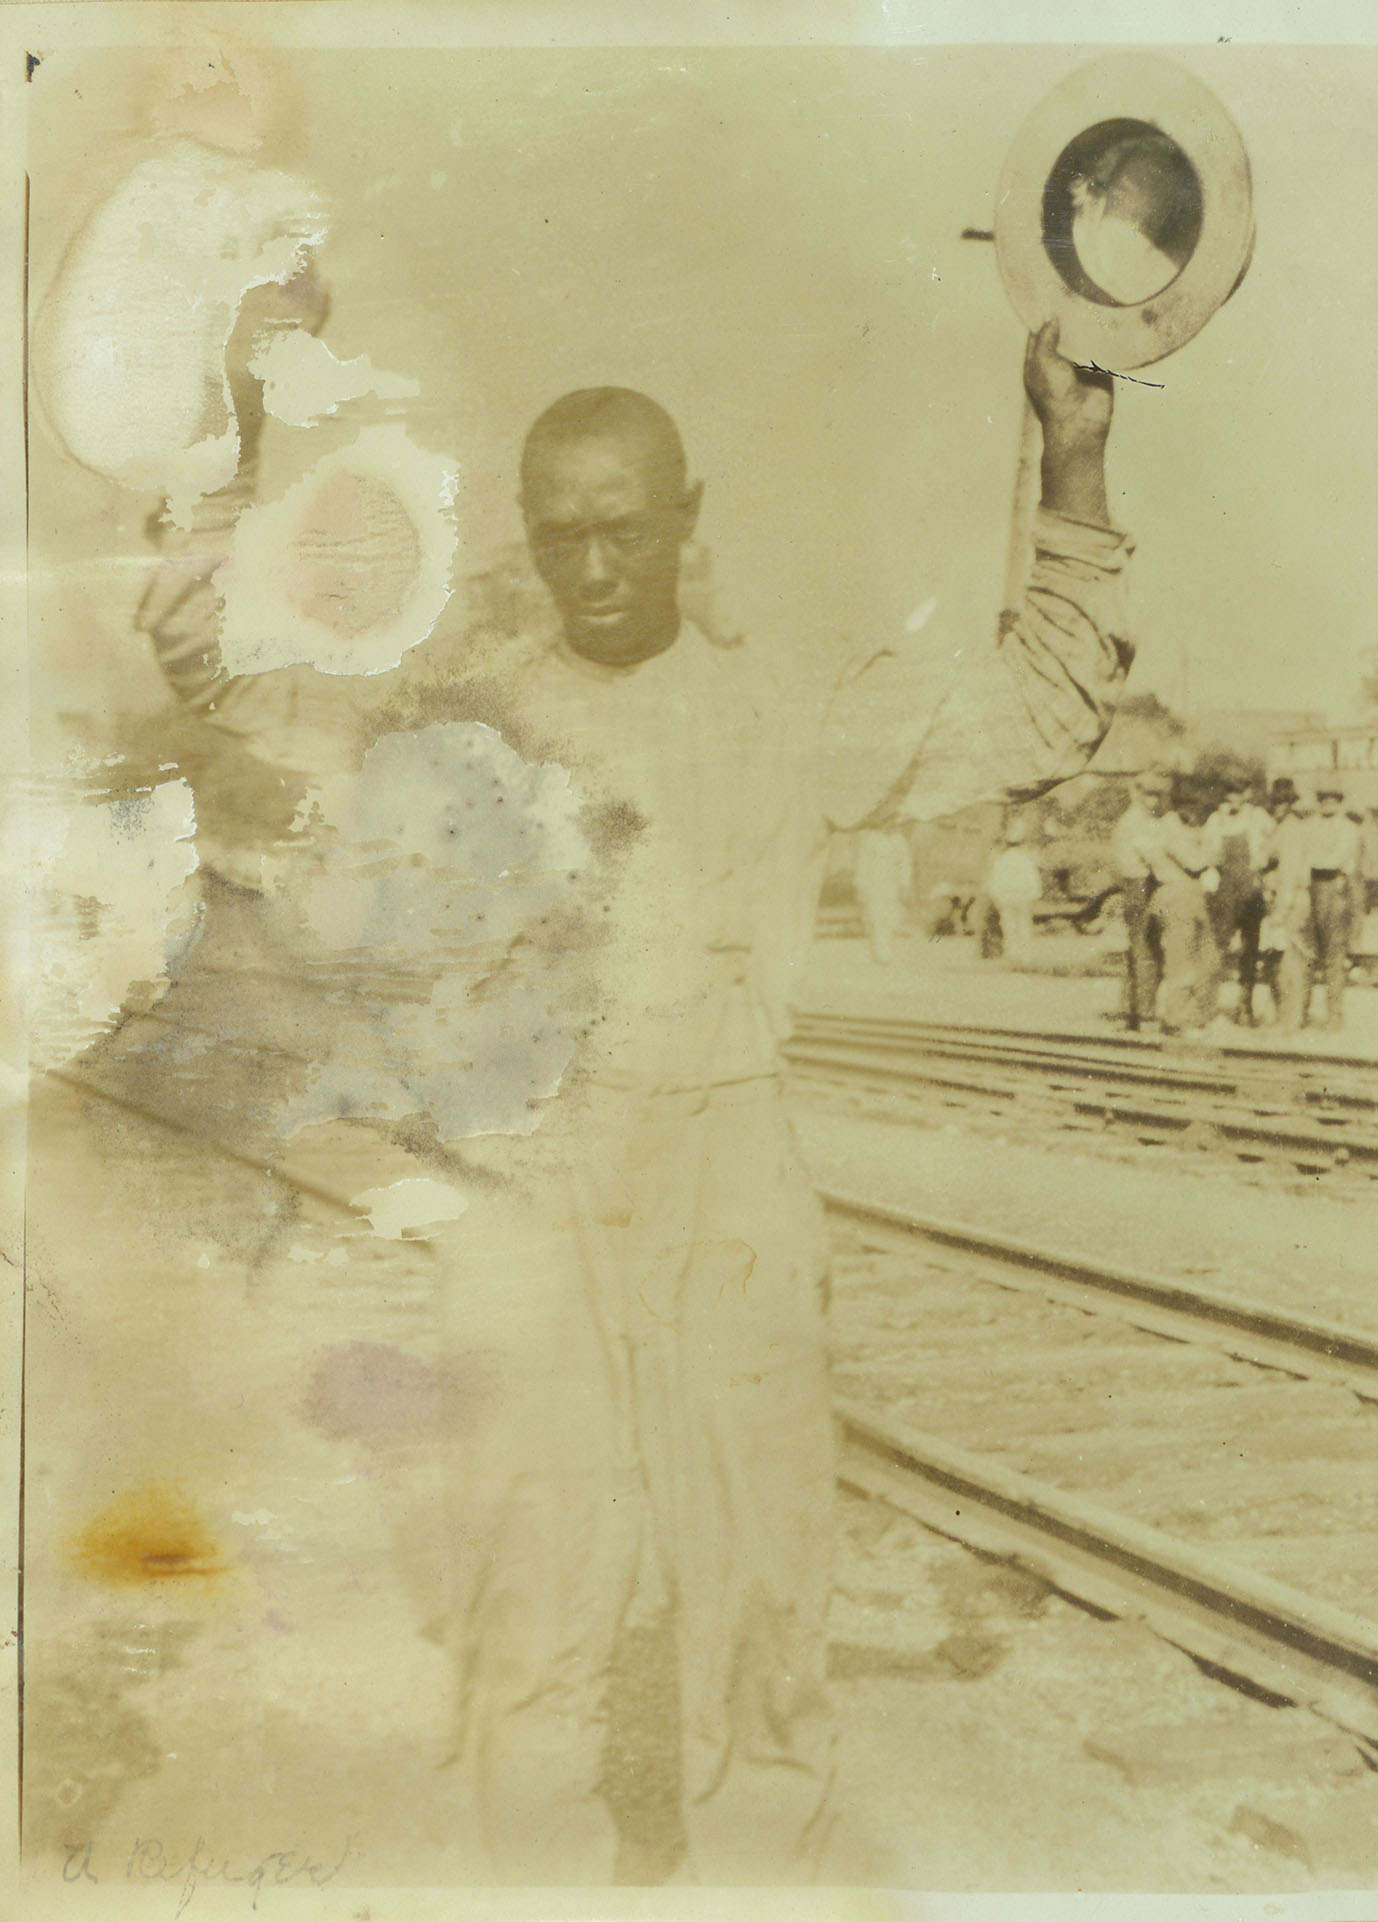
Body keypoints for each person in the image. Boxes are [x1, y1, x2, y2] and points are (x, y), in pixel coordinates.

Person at [125, 321, 1135, 1886]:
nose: (593, 565)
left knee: (764, 1597)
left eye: (624, 527)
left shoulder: (794, 701)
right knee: (528, 1599)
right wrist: (227, 443)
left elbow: (1044, 709)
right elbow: (229, 667)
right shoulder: (459, 713)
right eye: (561, 533)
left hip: (732, 1162)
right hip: (533, 1176)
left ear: (685, 516)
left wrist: (1076, 452)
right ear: (530, 534)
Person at [1201, 776, 1275, 1026]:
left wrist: (1262, 864)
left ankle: (1245, 1007)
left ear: (1247, 793)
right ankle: (1206, 1006)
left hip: (1252, 891)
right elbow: (1208, 854)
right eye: (1228, 792)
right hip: (1225, 890)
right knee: (1216, 948)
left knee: (1250, 952)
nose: (1232, 797)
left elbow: (1274, 846)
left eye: (1237, 792)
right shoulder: (1216, 819)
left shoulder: (1259, 817)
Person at [1151, 775, 1220, 1036]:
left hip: (1191, 896)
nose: (1194, 810)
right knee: (1180, 962)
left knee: (1206, 959)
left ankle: (1193, 1015)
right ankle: (1175, 1020)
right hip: (1175, 895)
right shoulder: (1169, 827)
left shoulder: (1186, 825)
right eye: (1189, 804)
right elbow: (1195, 861)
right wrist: (1212, 847)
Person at [1110, 767, 1171, 1029]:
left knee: (1140, 949)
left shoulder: (1143, 820)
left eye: (1158, 796)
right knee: (1145, 950)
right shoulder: (1135, 822)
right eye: (1149, 795)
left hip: (1141, 884)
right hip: (1140, 885)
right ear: (1138, 793)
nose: (1154, 801)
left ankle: (1132, 1012)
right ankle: (1143, 1013)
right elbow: (1155, 857)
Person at [1299, 778, 1362, 1030]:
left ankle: (1334, 1015)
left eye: (1332, 798)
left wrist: (1312, 860)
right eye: (1323, 798)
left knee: (1334, 957)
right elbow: (1301, 856)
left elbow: (1335, 860)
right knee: (1305, 953)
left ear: (1339, 801)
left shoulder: (1348, 828)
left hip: (1334, 890)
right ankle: (1300, 1012)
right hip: (1308, 889)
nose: (1327, 803)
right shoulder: (1309, 826)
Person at [1259, 776, 1309, 1030]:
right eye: (1275, 802)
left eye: (1283, 802)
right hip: (1280, 899)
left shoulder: (1290, 830)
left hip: (1289, 901)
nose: (1277, 807)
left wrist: (1281, 910)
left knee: (1289, 961)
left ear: (1290, 804)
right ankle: (1283, 1015)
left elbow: (1288, 875)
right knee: (1278, 960)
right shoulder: (1280, 828)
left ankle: (1290, 1019)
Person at [979, 818, 1043, 964]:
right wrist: (1034, 895)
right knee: (1023, 925)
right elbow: (1033, 879)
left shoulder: (1001, 859)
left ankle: (1013, 954)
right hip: (1023, 896)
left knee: (1009, 926)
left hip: (1006, 896)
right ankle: (1025, 955)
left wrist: (997, 897)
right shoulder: (1025, 859)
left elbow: (995, 881)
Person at [851, 827, 913, 964]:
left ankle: (886, 947)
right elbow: (863, 863)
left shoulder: (899, 841)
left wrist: (904, 884)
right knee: (875, 918)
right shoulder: (871, 840)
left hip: (892, 885)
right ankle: (880, 952)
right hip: (874, 884)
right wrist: (861, 886)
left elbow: (904, 864)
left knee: (891, 917)